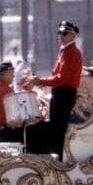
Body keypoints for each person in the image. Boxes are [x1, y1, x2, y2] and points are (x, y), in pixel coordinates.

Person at [27, 21, 83, 158]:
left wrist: (40, 81)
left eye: (64, 33)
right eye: (59, 33)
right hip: (60, 92)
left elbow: (62, 78)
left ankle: (58, 158)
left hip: (65, 92)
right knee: (55, 126)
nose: (60, 36)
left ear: (72, 35)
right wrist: (42, 81)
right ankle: (56, 155)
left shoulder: (71, 52)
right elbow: (57, 76)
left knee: (58, 128)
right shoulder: (65, 51)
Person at [0, 61, 25, 143]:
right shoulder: (5, 90)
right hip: (7, 131)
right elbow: (15, 113)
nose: (14, 76)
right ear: (5, 73)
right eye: (12, 73)